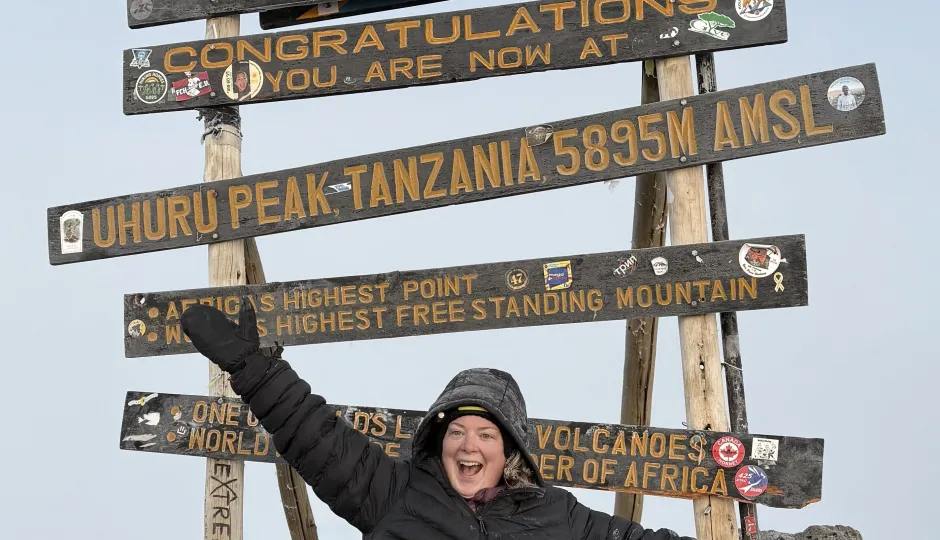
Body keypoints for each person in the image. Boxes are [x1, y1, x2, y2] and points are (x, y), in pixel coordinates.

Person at [181, 299, 695, 540]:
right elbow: (316, 437)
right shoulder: (392, 493)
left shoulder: (557, 516)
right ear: (438, 439)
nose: (468, 446)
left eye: (486, 434)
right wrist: (252, 368)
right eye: (456, 431)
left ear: (510, 448)